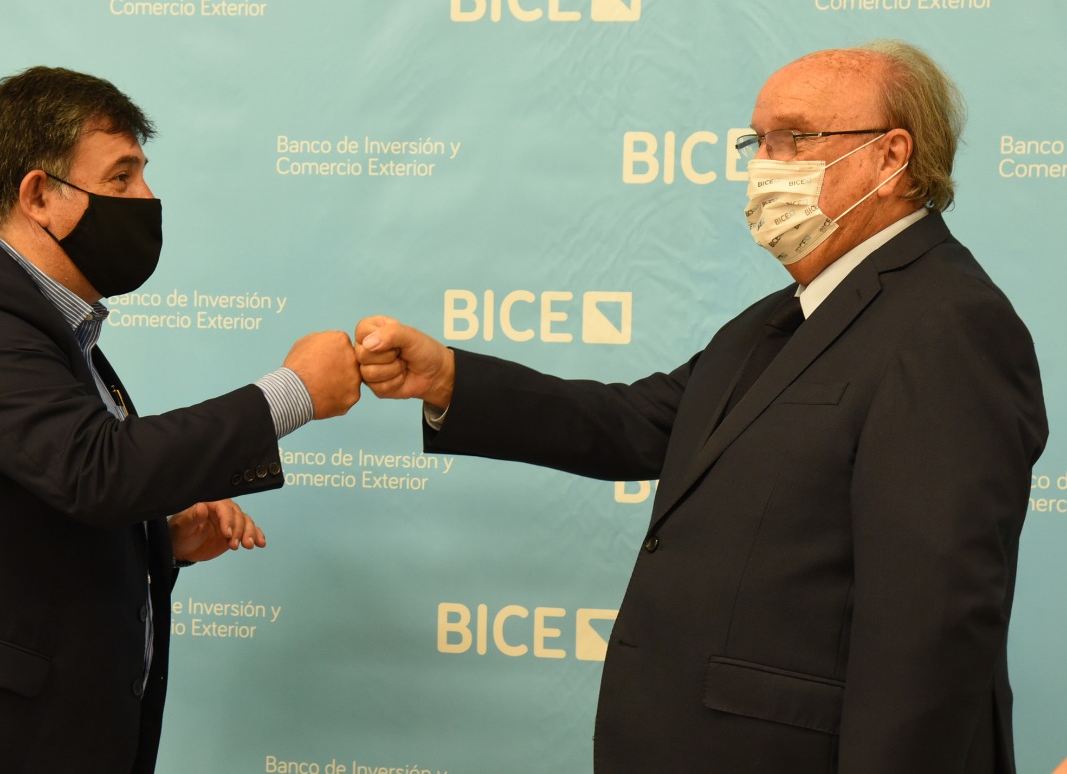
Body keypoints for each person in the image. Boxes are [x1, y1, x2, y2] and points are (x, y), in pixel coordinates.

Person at [356, 40, 1047, 774]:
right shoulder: (780, 317)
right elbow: (639, 423)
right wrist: (449, 380)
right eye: (759, 140)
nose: (765, 163)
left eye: (794, 138)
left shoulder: (949, 323)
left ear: (891, 156)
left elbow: (932, 629)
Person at [0, 66, 361, 774]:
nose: (147, 199)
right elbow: (99, 470)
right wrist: (293, 392)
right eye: (121, 177)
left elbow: (42, 492)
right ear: (38, 195)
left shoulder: (42, 323)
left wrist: (158, 541)